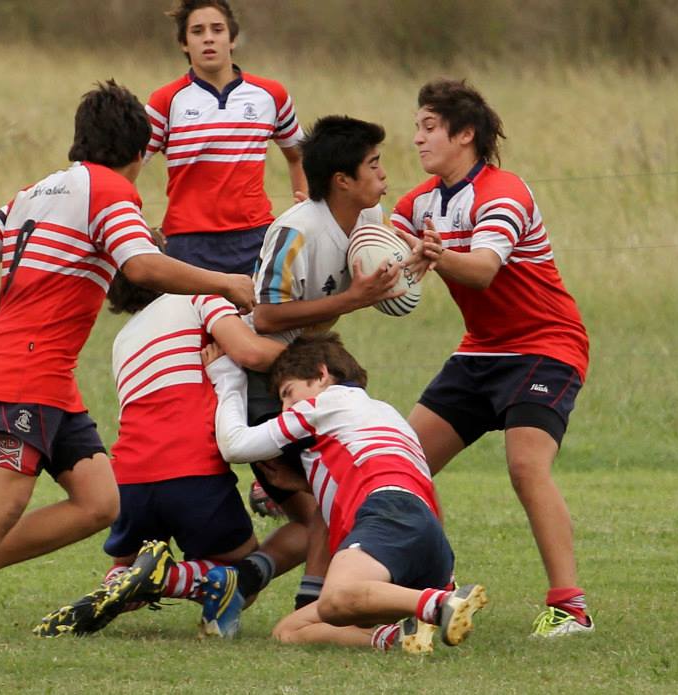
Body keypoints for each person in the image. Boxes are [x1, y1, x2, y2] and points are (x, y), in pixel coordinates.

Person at [0, 80, 256, 677]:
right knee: (3, 501)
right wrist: (223, 280)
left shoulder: (36, 189)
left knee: (100, 501)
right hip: (26, 369)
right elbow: (141, 265)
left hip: (46, 375)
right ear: (141, 152)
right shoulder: (111, 188)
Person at [390, 78, 592, 637]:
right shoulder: (418, 203)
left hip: (546, 346)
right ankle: (438, 592)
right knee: (404, 464)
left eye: (429, 127)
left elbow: (482, 270)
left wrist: (433, 254)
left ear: (465, 134)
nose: (417, 139)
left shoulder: (504, 192)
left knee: (526, 466)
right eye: (417, 127)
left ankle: (570, 608)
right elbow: (379, 252)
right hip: (480, 351)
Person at [220, 115, 408, 618]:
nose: (383, 174)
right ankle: (308, 605)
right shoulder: (295, 231)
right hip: (271, 382)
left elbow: (383, 278)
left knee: (329, 502)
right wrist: (352, 299)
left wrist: (413, 268)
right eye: (373, 165)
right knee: (327, 502)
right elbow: (265, 315)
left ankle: (254, 587)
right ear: (342, 180)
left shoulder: (368, 218)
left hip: (311, 369)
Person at [32, 268, 284, 638]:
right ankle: (168, 578)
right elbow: (252, 352)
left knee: (127, 561)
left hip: (128, 477)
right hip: (192, 468)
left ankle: (117, 583)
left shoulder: (123, 339)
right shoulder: (199, 297)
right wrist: (315, 357)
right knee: (242, 569)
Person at [201, 333, 487, 651]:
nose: (285, 407)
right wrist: (303, 484)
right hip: (425, 536)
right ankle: (399, 637)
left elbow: (235, 445)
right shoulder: (384, 414)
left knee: (336, 598)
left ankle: (441, 604)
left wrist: (226, 378)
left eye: (288, 393)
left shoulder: (323, 404)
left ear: (321, 374)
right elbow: (374, 474)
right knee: (290, 630)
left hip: (387, 514)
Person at [145, 0, 307, 275]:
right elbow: (130, 164)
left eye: (217, 29)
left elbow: (299, 154)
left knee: (266, 306)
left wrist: (305, 211)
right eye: (197, 31)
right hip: (187, 243)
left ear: (232, 39)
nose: (208, 38)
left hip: (256, 238)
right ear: (184, 43)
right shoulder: (165, 101)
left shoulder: (271, 95)